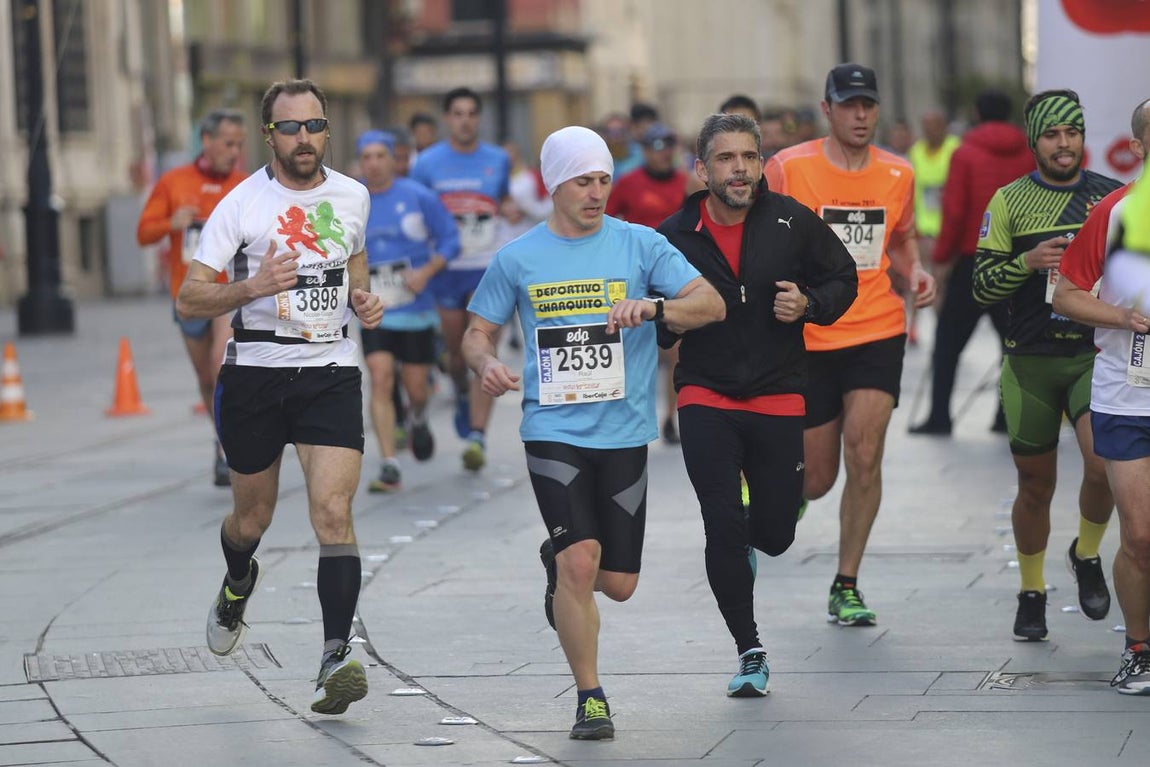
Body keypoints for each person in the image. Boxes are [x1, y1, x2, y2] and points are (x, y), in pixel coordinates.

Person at [462, 126, 724, 739]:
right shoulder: (519, 256)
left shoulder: (638, 245)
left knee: (619, 584)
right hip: (552, 429)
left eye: (604, 179)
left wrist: (655, 308)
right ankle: (591, 697)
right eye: (583, 181)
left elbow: (710, 303)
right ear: (554, 184)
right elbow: (476, 332)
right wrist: (488, 363)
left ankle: (558, 559)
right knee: (582, 567)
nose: (597, 192)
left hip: (624, 431)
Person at [176, 79, 383, 715]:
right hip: (255, 375)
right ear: (269, 135)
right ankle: (238, 581)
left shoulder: (353, 195)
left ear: (328, 131)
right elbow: (189, 297)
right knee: (252, 519)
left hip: (328, 370)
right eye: (291, 128)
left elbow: (354, 262)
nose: (304, 139)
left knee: (332, 512)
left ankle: (334, 655)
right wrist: (252, 285)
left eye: (315, 126)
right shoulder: (241, 205)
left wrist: (363, 299)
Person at [660, 113, 857, 696]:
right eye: (725, 159)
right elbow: (651, 310)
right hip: (705, 393)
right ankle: (749, 649)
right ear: (702, 169)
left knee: (772, 535)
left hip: (777, 392)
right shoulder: (673, 234)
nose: (740, 169)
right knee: (721, 526)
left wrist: (812, 303)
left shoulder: (792, 222)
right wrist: (661, 324)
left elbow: (844, 276)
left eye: (748, 157)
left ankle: (756, 521)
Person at [765, 63, 936, 626]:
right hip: (809, 335)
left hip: (876, 330)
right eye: (849, 104)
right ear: (828, 109)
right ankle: (780, 497)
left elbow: (903, 238)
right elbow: (759, 235)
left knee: (864, 454)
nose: (861, 115)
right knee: (818, 477)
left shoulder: (898, 173)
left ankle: (847, 582)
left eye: (869, 104)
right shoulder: (790, 167)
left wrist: (916, 273)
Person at [972, 88, 1122, 641]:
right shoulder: (1010, 201)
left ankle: (1085, 553)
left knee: (1103, 464)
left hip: (1092, 356)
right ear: (1034, 141)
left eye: (1073, 133)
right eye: (1053, 135)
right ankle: (1030, 590)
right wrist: (1028, 262)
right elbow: (981, 287)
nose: (1064, 145)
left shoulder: (1111, 196)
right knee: (1034, 487)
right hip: (1029, 362)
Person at [1053, 100, 1150, 693]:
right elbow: (1064, 295)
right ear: (1139, 146)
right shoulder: (1116, 212)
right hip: (1127, 395)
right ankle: (1138, 648)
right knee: (1140, 536)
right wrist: (1121, 316)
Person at [909, 89, 1033, 436]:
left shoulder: (965, 154)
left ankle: (939, 417)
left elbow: (956, 211)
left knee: (948, 342)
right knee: (1011, 343)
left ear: (977, 113)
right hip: (1015, 261)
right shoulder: (1027, 154)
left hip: (973, 261)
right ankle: (1005, 415)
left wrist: (942, 257)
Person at [137, 109, 247, 487]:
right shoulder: (173, 182)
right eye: (229, 143)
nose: (235, 152)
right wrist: (172, 223)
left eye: (239, 144)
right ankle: (218, 436)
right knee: (205, 377)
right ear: (208, 140)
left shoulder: (244, 186)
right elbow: (143, 234)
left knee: (220, 367)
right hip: (188, 295)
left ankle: (227, 450)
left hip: (227, 291)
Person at [410, 87, 511, 471]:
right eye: (458, 113)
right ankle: (459, 389)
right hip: (447, 269)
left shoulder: (497, 160)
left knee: (484, 346)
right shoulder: (427, 163)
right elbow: (420, 214)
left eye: (471, 113)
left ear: (478, 118)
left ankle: (477, 436)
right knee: (456, 354)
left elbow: (504, 201)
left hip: (487, 266)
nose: (465, 120)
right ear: (447, 118)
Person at [357, 130, 460, 492]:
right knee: (380, 377)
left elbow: (451, 240)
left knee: (417, 389)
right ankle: (388, 463)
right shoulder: (351, 200)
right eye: (366, 156)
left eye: (379, 155)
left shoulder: (418, 197)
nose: (372, 163)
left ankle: (417, 418)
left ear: (393, 158)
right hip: (374, 309)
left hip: (415, 310)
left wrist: (427, 272)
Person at [606, 122, 690, 443]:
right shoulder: (628, 183)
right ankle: (623, 414)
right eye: (656, 146)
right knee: (630, 351)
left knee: (676, 354)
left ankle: (672, 417)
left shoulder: (687, 184)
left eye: (669, 145)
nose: (663, 153)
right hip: (636, 277)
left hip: (674, 276)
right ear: (643, 150)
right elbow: (606, 224)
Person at [904, 110, 960, 344]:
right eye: (926, 125)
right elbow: (910, 188)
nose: (930, 130)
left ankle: (942, 329)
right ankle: (913, 326)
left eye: (935, 125)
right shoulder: (915, 152)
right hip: (922, 227)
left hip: (948, 228)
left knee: (940, 282)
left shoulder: (956, 149)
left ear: (944, 126)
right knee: (917, 276)